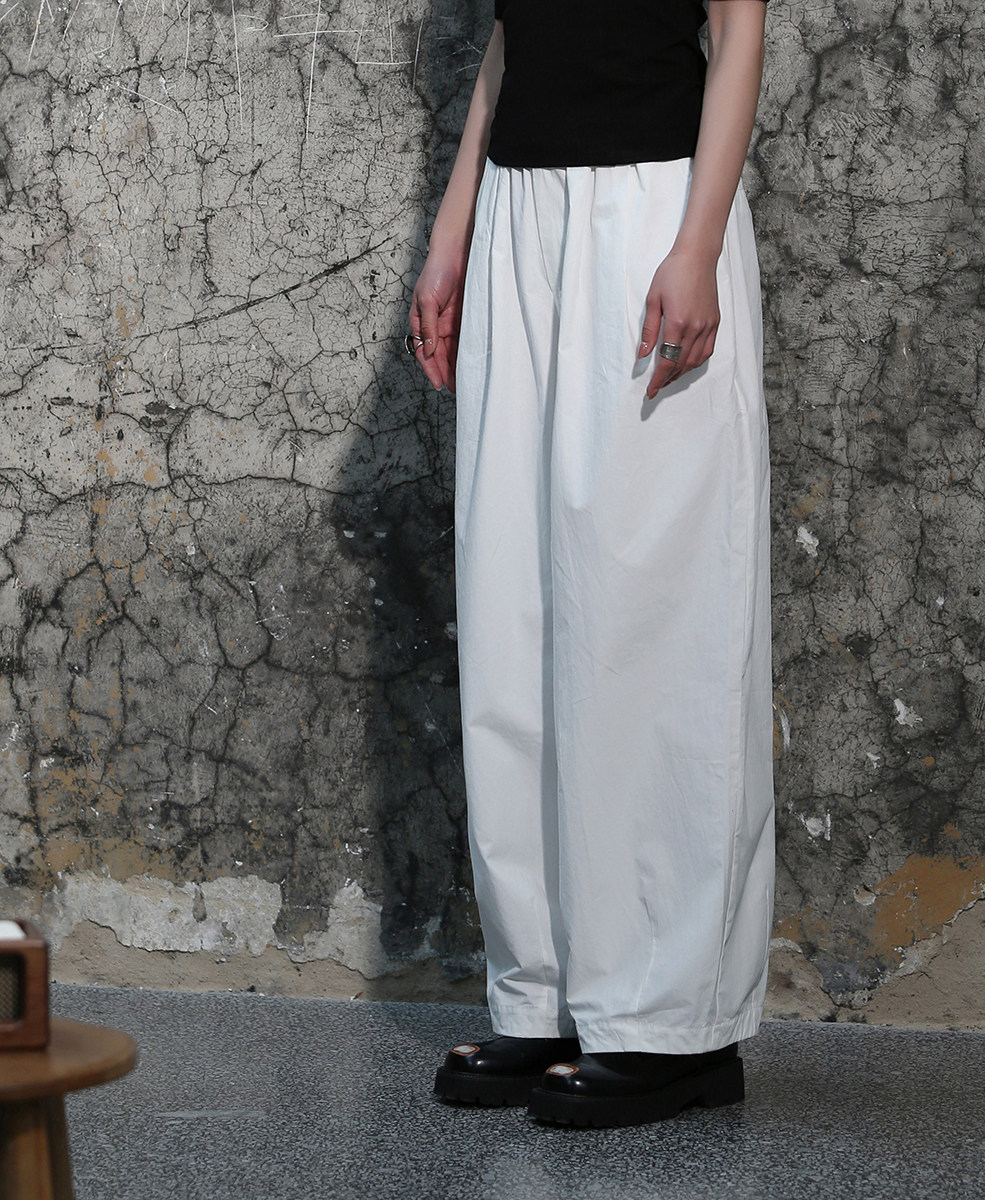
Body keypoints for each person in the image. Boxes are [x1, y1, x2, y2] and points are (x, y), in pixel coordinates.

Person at [407, 0, 773, 1129]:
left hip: (652, 210)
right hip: (522, 215)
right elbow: (515, 38)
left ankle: (670, 1021)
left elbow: (738, 30)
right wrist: (455, 227)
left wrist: (697, 245)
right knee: (515, 608)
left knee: (648, 617)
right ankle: (548, 992)